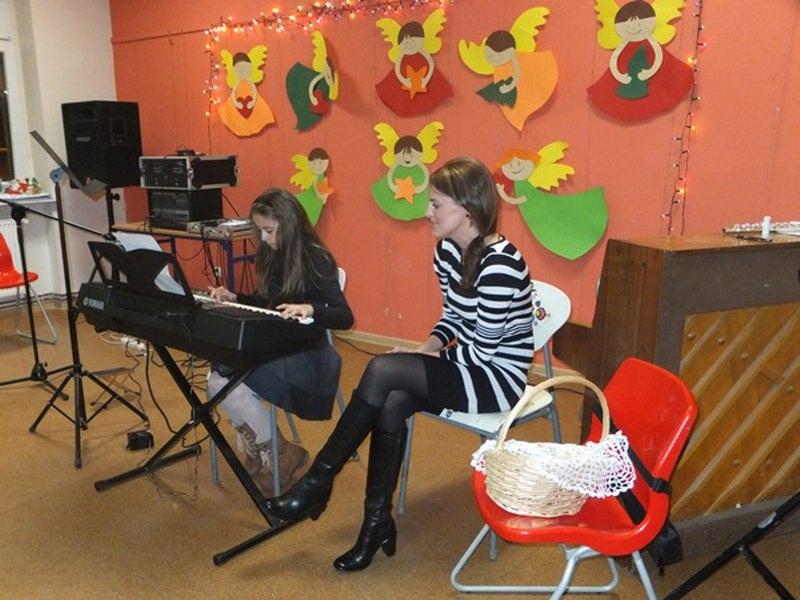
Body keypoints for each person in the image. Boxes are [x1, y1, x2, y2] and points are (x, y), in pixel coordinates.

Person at [265, 157, 534, 571]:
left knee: (384, 370)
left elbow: (484, 353)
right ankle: (375, 523)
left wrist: (417, 359)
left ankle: (317, 483)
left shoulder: (501, 264)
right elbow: (453, 319)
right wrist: (426, 348)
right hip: (467, 366)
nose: (427, 212)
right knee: (391, 400)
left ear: (468, 208)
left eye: (436, 204)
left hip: (496, 378)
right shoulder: (447, 250)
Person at [207, 188, 353, 495]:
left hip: (308, 354)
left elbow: (344, 317)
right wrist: (236, 298)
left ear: (290, 225)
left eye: (269, 230)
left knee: (232, 379)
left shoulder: (317, 259)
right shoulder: (272, 254)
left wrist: (311, 308)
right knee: (216, 379)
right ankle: (270, 445)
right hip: (277, 343)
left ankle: (277, 451)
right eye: (260, 231)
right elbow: (267, 304)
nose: (264, 238)